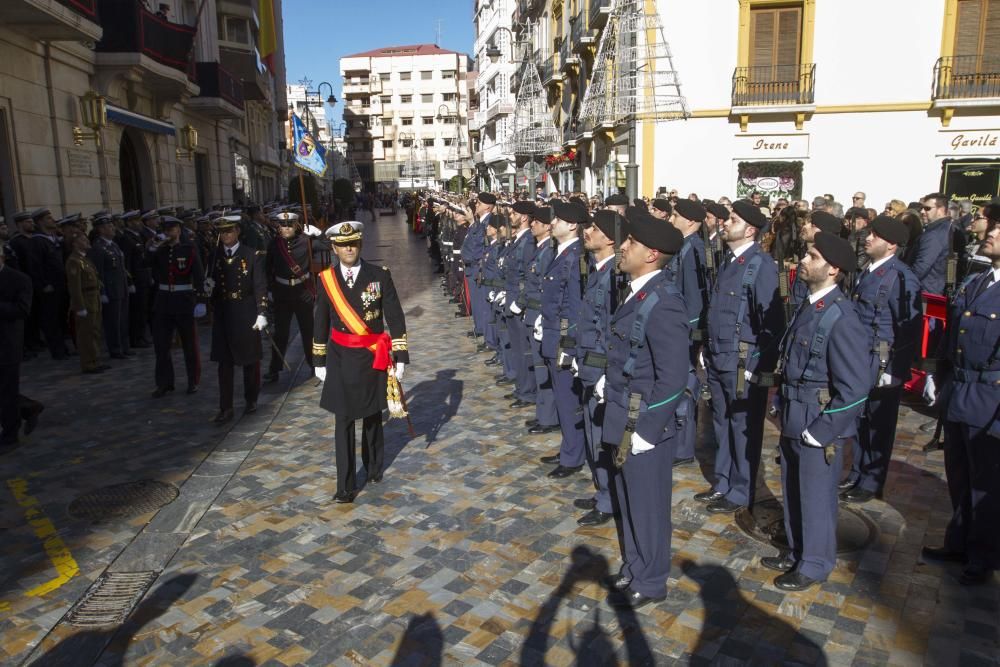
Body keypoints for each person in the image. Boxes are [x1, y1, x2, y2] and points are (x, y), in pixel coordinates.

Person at [764, 232, 875, 591]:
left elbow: (856, 388)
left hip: (817, 419)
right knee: (793, 488)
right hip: (795, 412)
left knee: (815, 495)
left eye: (812, 257)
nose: (803, 262)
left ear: (833, 268)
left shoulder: (842, 317)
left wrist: (823, 430)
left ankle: (814, 563)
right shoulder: (811, 305)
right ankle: (797, 549)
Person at [600, 212, 688, 609]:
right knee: (629, 498)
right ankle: (636, 565)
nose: (622, 247)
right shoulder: (638, 291)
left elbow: (673, 377)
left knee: (649, 505)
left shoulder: (663, 302)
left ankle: (651, 580)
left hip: (643, 423)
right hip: (624, 413)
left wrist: (649, 431)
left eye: (631, 243)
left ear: (652, 254)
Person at [921, 222, 1000, 586]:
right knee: (959, 472)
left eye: (999, 229)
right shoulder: (979, 279)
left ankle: (983, 554)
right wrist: (934, 374)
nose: (991, 233)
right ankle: (958, 541)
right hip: (960, 388)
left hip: (990, 396)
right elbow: (954, 331)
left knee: (987, 481)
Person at [697, 200, 783, 515]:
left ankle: (741, 488)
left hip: (742, 361)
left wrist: (758, 365)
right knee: (721, 422)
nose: (725, 222)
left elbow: (772, 325)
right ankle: (723, 481)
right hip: (720, 356)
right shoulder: (729, 260)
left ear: (749, 229)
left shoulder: (761, 266)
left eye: (732, 219)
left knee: (742, 425)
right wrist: (707, 350)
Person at [313, 222, 408, 504]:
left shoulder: (379, 275)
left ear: (360, 244)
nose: (349, 248)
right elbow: (319, 321)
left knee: (371, 416)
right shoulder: (326, 280)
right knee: (342, 420)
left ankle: (374, 465)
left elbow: (395, 315)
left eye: (353, 242)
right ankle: (345, 485)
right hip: (341, 358)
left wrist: (400, 356)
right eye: (343, 245)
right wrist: (319, 359)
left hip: (370, 357)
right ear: (334, 248)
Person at [841, 216, 923, 503]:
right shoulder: (868, 270)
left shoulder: (902, 277)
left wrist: (896, 370)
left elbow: (910, 327)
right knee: (862, 418)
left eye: (875, 236)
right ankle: (857, 473)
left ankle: (871, 480)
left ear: (891, 245)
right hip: (862, 358)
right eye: (869, 234)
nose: (868, 238)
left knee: (879, 424)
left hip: (883, 361)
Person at [572, 209, 623, 527]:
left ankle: (609, 498)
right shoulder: (597, 270)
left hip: (602, 370)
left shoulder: (614, 277)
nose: (587, 231)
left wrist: (605, 373)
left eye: (594, 227)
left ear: (610, 238)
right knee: (593, 435)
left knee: (603, 439)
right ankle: (602, 490)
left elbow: (611, 330)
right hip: (589, 366)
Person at [536, 200, 587, 479]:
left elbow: (574, 308)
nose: (552, 222)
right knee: (561, 395)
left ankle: (572, 456)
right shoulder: (561, 253)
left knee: (568, 401)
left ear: (572, 225)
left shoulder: (574, 257)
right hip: (552, 334)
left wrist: (568, 345)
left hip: (562, 340)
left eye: (559, 219)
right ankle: (569, 445)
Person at [208, 216, 268, 423]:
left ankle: (251, 399)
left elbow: (259, 285)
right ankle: (226, 407)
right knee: (224, 364)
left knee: (250, 360)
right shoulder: (214, 256)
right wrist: (205, 292)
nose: (226, 235)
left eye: (230, 231)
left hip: (245, 311)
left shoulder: (251, 255)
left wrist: (261, 312)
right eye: (222, 232)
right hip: (224, 312)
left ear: (238, 231)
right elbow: (211, 283)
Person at [665, 199, 709, 467]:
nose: (672, 220)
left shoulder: (693, 249)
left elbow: (694, 297)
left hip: (685, 330)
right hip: (677, 327)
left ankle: (682, 448)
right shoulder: (684, 246)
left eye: (676, 216)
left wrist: (691, 335)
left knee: (685, 388)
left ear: (690, 222)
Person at [263, 212, 323, 383]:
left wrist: (318, 233)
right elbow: (268, 268)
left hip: (302, 291)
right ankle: (274, 369)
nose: (286, 228)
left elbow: (328, 244)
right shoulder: (274, 244)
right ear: (278, 227)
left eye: (289, 225)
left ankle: (315, 365)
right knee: (280, 333)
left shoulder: (306, 241)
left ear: (296, 225)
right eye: (283, 225)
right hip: (281, 293)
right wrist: (269, 291)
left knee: (308, 331)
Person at [150, 216, 205, 397]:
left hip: (184, 300)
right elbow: (147, 265)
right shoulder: (160, 250)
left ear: (179, 230)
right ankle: (164, 383)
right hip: (164, 300)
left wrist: (200, 300)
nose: (168, 232)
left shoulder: (188, 249)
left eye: (171, 229)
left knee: (189, 344)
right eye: (165, 229)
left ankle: (193, 381)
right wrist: (150, 248)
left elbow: (198, 275)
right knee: (162, 345)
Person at [0, 244, 33, 447]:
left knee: (7, 390)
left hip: (6, 343)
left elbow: (22, 309)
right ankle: (29, 408)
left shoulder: (19, 279)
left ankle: (11, 436)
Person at [29, 208, 70, 359]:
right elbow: (35, 266)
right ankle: (57, 351)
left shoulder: (52, 238)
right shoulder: (37, 241)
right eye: (48, 219)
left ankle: (63, 348)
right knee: (51, 320)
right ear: (40, 222)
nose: (52, 220)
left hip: (59, 285)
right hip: (49, 288)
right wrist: (43, 284)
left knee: (60, 318)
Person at [89, 214, 132, 359]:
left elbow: (122, 267)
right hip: (111, 290)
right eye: (109, 226)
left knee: (123, 320)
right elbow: (98, 273)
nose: (113, 228)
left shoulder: (113, 245)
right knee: (113, 322)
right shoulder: (98, 248)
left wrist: (129, 283)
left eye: (112, 226)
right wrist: (102, 292)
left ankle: (125, 346)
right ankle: (115, 349)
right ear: (101, 230)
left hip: (122, 287)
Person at [66, 231, 107, 374]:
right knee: (86, 334)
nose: (87, 242)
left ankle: (95, 360)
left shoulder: (85, 260)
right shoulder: (74, 261)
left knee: (95, 332)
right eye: (83, 240)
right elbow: (75, 287)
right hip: (85, 301)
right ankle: (88, 364)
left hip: (94, 299)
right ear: (75, 244)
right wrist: (79, 307)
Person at [910, 193, 957, 295]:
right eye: (922, 208)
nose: (922, 211)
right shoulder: (949, 227)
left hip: (925, 291)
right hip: (935, 289)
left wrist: (904, 283)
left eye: (927, 208)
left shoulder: (934, 234)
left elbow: (921, 267)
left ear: (940, 209)